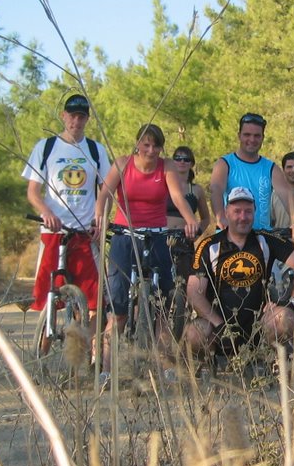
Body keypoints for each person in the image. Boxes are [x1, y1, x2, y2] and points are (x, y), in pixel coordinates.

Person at [95, 124, 200, 379]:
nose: (151, 150)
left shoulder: (167, 167)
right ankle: (106, 370)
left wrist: (189, 219)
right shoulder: (122, 163)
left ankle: (165, 367)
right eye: (146, 144)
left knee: (162, 302)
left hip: (156, 234)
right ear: (137, 144)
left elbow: (176, 196)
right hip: (124, 235)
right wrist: (100, 216)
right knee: (119, 308)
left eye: (156, 146)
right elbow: (105, 193)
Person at [184, 186, 294, 362]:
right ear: (226, 212)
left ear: (254, 212)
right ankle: (212, 369)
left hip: (259, 324)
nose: (243, 217)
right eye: (237, 211)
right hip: (219, 327)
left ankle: (271, 364)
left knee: (285, 318)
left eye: (248, 211)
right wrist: (219, 325)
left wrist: (292, 302)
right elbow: (194, 292)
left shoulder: (265, 240)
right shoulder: (210, 246)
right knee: (193, 334)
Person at [22, 92, 111, 326]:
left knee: (94, 303)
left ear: (87, 120)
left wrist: (101, 220)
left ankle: (89, 354)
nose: (76, 122)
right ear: (63, 116)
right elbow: (33, 191)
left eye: (81, 117)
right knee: (48, 300)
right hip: (55, 233)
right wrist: (46, 213)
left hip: (85, 234)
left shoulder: (96, 150)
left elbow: (106, 191)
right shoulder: (46, 147)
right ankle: (43, 355)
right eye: (72, 116)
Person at [210, 113, 294, 232]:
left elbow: (287, 195)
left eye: (257, 136)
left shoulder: (271, 168)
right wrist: (220, 216)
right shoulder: (225, 164)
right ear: (239, 136)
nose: (252, 140)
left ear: (262, 137)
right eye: (247, 135)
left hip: (261, 239)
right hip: (231, 235)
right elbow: (216, 190)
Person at [167, 145, 211, 277]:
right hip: (163, 237)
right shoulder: (164, 186)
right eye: (178, 158)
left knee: (183, 278)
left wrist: (197, 234)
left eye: (186, 159)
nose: (181, 162)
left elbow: (206, 218)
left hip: (184, 239)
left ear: (191, 163)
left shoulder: (197, 190)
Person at [271, 151, 294, 229]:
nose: (293, 171)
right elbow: (271, 222)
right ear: (283, 170)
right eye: (289, 167)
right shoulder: (274, 195)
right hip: (280, 239)